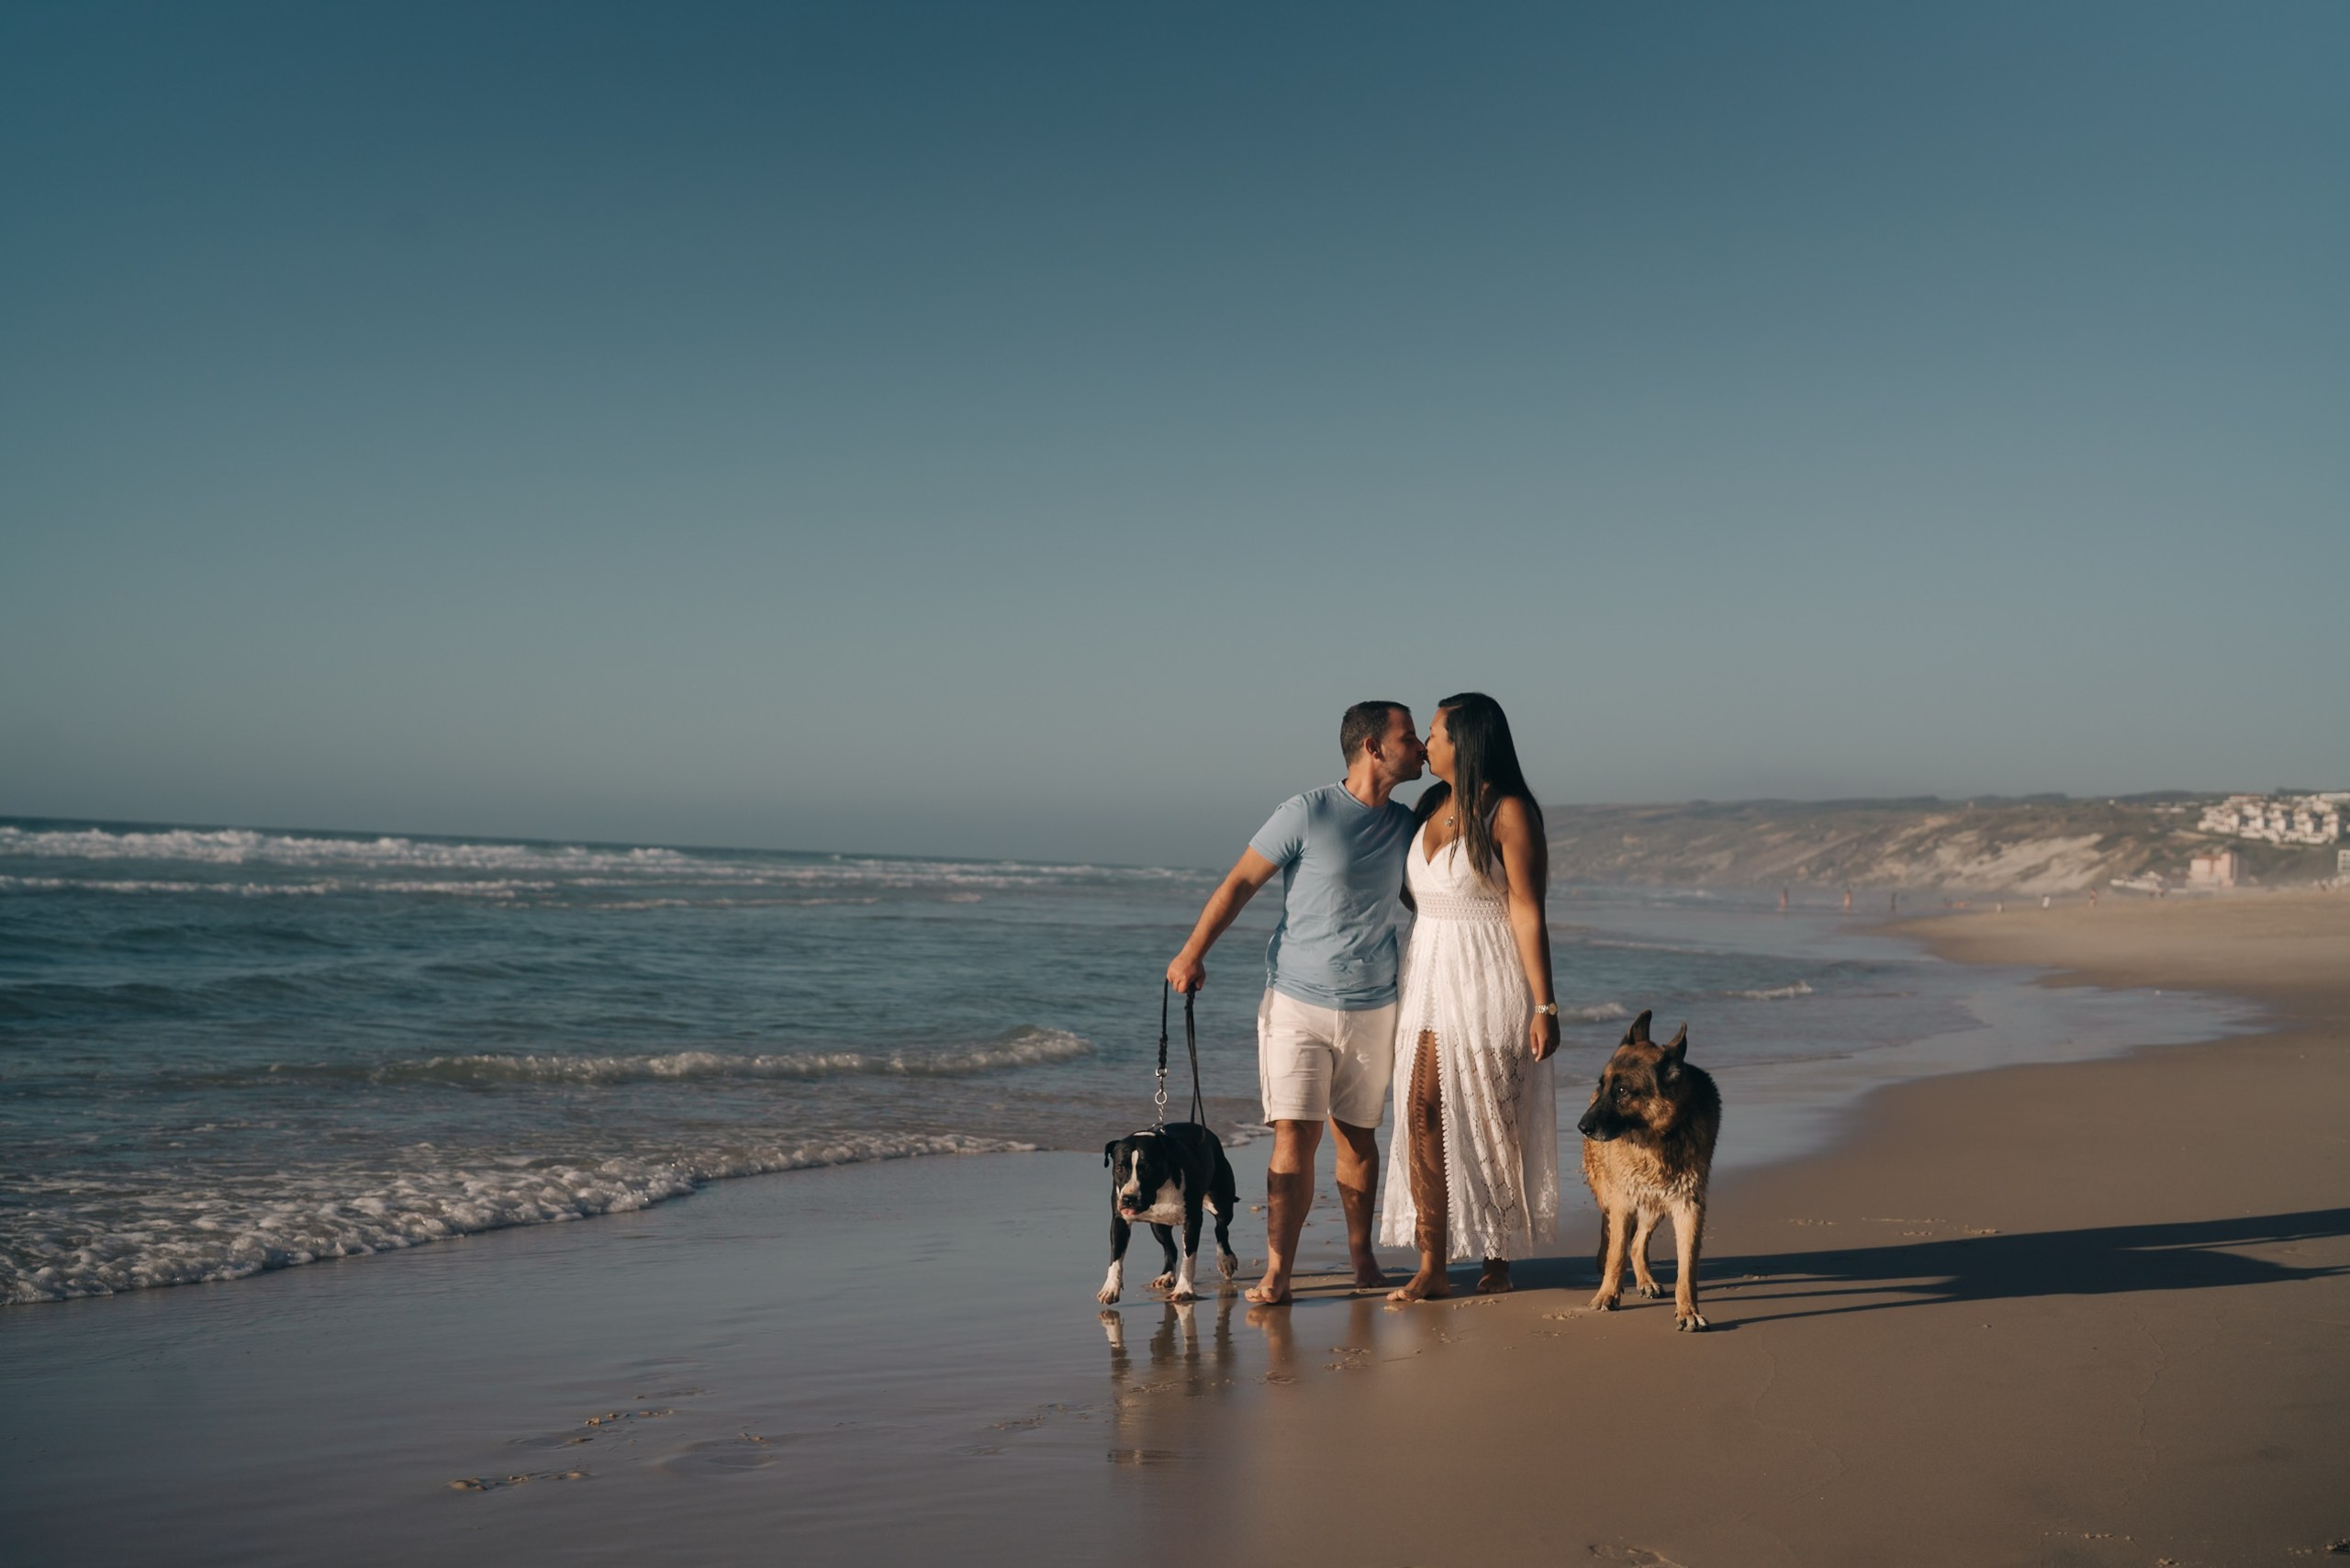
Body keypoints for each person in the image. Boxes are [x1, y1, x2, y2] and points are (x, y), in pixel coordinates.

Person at [1166, 700, 1427, 1305]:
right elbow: (1239, 883)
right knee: (1294, 1139)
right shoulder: (1306, 812)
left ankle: (1362, 1256)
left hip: (1374, 1006)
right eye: (1408, 736)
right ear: (1372, 746)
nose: (1419, 747)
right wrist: (1192, 953)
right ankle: (1278, 1271)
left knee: (1359, 1141)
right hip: (1296, 1003)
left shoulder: (1407, 826)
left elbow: (1431, 903)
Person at [1379, 692, 1561, 1301]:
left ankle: (1497, 1254)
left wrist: (1544, 1005)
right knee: (1421, 1114)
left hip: (1487, 975)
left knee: (1488, 1117)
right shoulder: (1428, 803)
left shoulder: (1507, 813)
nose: (1426, 744)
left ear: (1467, 742)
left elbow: (1528, 912)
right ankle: (1432, 1263)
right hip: (1426, 970)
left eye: (1434, 734)